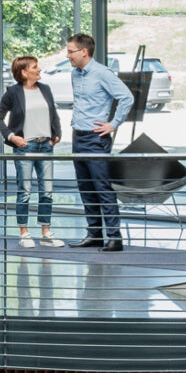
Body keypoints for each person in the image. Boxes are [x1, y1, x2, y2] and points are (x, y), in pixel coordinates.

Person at [64, 34, 134, 251]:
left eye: (71, 51)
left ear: (84, 51)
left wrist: (113, 124)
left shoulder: (102, 73)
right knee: (85, 188)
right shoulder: (75, 74)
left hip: (97, 139)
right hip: (78, 137)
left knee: (102, 187)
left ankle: (114, 237)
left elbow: (127, 97)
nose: (68, 56)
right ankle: (94, 234)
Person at [0, 55, 63, 248]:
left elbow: (54, 114)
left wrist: (57, 135)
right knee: (25, 191)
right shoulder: (13, 93)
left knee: (47, 191)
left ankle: (46, 232)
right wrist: (11, 137)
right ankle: (24, 232)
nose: (39, 69)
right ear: (24, 72)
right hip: (25, 147)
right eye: (35, 67)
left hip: (45, 146)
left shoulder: (45, 89)